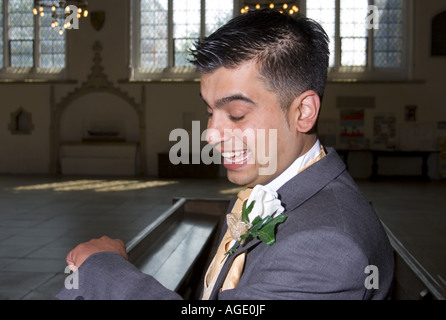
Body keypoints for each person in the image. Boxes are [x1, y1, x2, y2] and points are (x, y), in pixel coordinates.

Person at [56, 8, 394, 300]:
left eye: (236, 114)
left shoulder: (326, 244)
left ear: (303, 112)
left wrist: (105, 267)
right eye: (209, 112)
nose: (211, 135)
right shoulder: (266, 188)